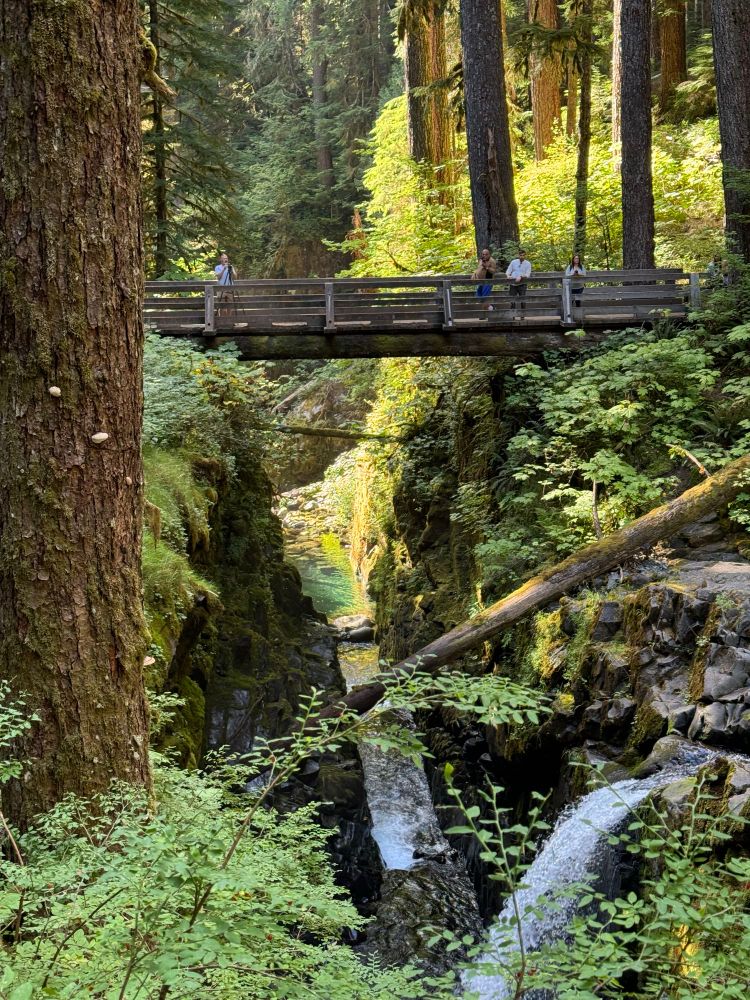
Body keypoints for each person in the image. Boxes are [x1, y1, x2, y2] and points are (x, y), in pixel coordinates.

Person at [506, 248, 532, 318]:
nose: (522, 257)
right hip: (513, 284)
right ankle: (513, 315)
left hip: (522, 284)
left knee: (522, 299)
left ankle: (522, 315)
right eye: (520, 255)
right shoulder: (513, 262)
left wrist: (521, 276)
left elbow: (527, 274)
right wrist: (508, 276)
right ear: (518, 255)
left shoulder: (528, 263)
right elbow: (508, 271)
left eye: (523, 255)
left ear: (525, 256)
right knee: (512, 300)